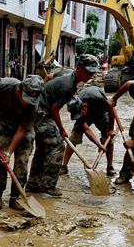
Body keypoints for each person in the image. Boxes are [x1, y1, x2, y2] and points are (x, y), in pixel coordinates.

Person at [25, 53, 100, 197]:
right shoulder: (68, 86)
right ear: (79, 68)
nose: (90, 76)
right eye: (87, 72)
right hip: (41, 112)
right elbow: (54, 110)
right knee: (58, 147)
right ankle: (48, 185)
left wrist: (46, 91)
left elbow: (49, 77)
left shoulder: (67, 73)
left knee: (42, 149)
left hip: (38, 109)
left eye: (92, 73)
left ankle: (33, 184)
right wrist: (62, 130)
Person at [0, 75, 43, 209]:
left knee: (22, 161)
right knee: (0, 159)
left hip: (23, 129)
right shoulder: (4, 85)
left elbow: (22, 130)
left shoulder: (34, 105)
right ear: (19, 91)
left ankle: (15, 197)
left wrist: (9, 151)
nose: (28, 102)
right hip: (4, 122)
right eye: (26, 99)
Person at [62, 85, 116, 176]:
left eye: (81, 114)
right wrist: (99, 145)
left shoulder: (99, 100)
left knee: (108, 138)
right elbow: (87, 130)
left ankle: (109, 167)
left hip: (101, 113)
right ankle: (64, 166)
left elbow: (111, 110)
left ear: (84, 106)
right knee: (74, 137)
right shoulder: (76, 105)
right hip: (88, 111)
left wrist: (110, 129)